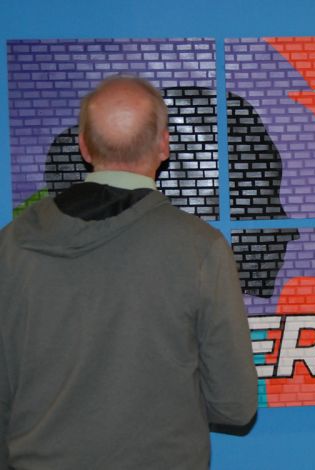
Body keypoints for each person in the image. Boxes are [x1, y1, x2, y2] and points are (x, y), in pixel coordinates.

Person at [0, 76, 258, 469]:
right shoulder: (200, 248)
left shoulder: (11, 246)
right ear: (164, 145)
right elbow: (235, 405)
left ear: (84, 146)